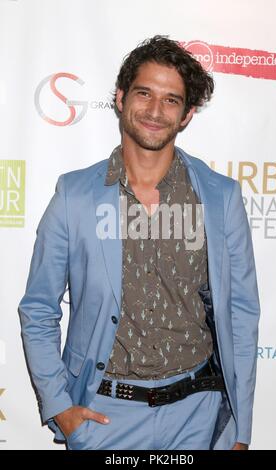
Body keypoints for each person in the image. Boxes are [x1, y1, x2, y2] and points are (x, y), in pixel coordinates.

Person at [18, 35, 260, 450]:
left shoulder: (220, 197)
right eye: (145, 93)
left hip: (198, 415)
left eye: (171, 100)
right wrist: (60, 407)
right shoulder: (74, 195)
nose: (154, 110)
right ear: (120, 97)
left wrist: (240, 426)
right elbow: (39, 307)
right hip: (105, 418)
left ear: (186, 114)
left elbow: (240, 314)